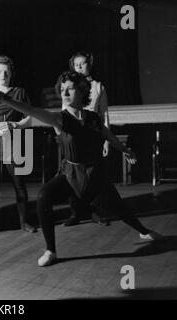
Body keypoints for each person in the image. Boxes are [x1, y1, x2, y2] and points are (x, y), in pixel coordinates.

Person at [0, 71, 162, 267]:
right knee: (43, 197)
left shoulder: (93, 118)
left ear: (82, 91)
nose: (64, 93)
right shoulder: (59, 119)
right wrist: (5, 99)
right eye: (62, 89)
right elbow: (31, 111)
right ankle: (50, 250)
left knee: (118, 206)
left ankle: (143, 231)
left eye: (69, 88)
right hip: (70, 174)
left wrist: (124, 150)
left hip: (95, 173)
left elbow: (107, 134)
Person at [0, 55, 36, 233]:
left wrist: (17, 124)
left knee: (18, 182)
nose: (3, 74)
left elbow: (31, 116)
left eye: (6, 71)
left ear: (11, 73)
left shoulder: (19, 92)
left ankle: (24, 221)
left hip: (14, 141)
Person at [63, 51, 110, 227]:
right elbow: (64, 111)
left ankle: (97, 212)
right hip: (74, 135)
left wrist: (106, 140)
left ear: (89, 65)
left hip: (93, 134)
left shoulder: (98, 86)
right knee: (72, 174)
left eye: (83, 63)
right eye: (77, 65)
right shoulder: (68, 86)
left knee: (95, 174)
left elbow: (104, 115)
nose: (80, 67)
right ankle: (76, 212)